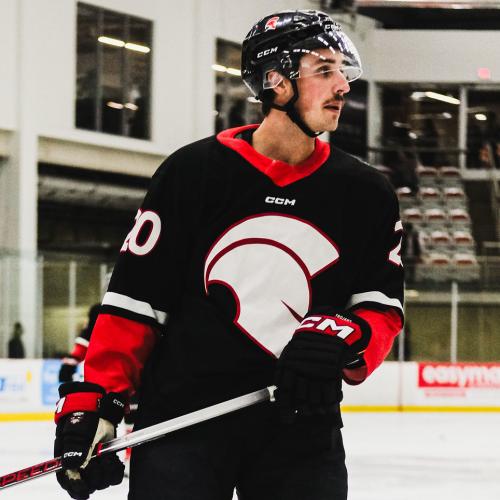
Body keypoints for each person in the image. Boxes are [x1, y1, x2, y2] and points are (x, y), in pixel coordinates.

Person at [53, 10, 404, 500]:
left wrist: (349, 335)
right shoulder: (191, 173)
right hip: (183, 418)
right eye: (324, 70)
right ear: (276, 81)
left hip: (301, 421)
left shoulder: (365, 192)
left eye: (342, 71)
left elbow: (380, 305)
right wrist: (99, 400)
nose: (343, 86)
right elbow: (136, 300)